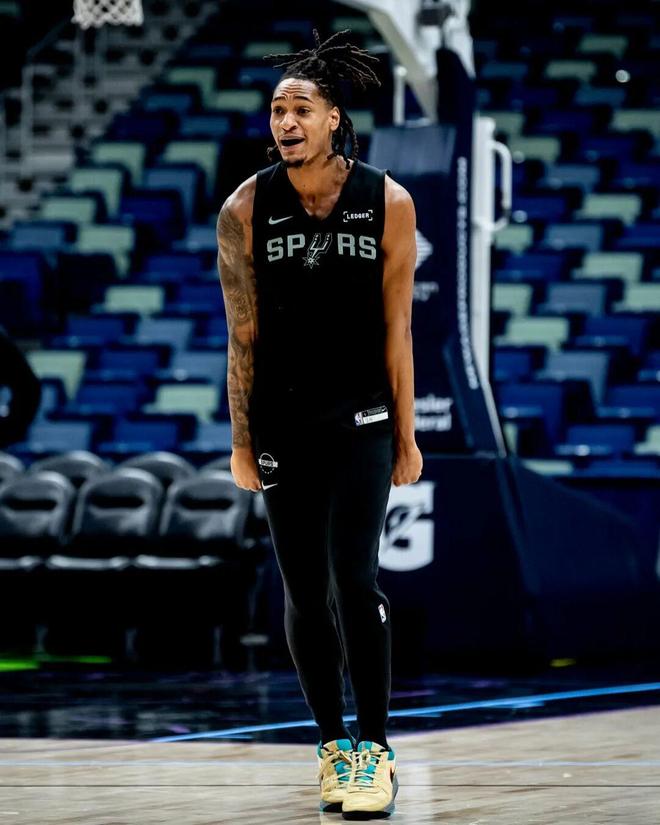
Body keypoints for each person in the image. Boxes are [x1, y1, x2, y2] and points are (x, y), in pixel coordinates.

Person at [216, 29, 422, 820]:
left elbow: (398, 328)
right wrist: (241, 439)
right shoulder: (244, 207)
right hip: (282, 421)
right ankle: (333, 743)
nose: (286, 121)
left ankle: (376, 748)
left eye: (301, 108)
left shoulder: (388, 201)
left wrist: (406, 435)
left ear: (335, 117)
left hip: (362, 415)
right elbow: (241, 336)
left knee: (354, 579)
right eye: (277, 109)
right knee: (303, 590)